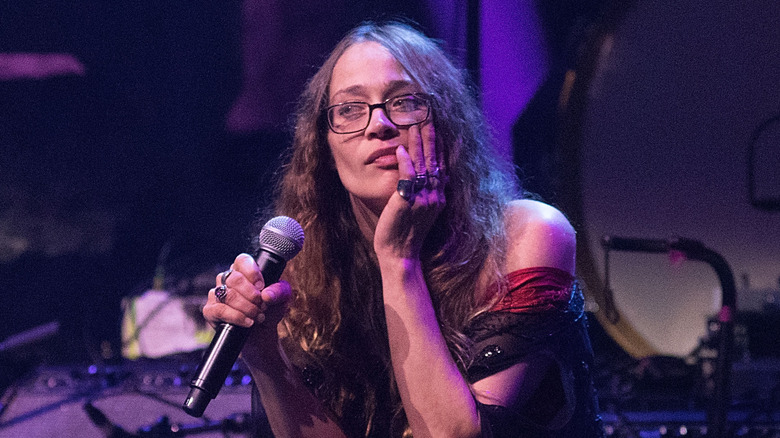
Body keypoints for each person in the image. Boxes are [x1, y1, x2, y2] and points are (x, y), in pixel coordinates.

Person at [203, 21, 604, 438]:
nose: (378, 125)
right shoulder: (301, 269)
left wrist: (398, 259)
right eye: (350, 109)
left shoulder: (528, 234)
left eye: (404, 102)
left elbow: (451, 434)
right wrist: (264, 353)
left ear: (448, 124)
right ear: (324, 147)